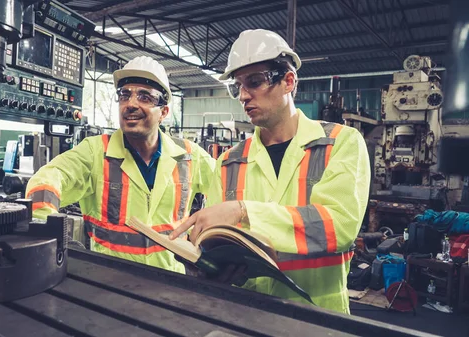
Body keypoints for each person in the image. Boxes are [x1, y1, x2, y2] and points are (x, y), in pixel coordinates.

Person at [169, 29, 371, 313]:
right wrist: (203, 262)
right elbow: (218, 241)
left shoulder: (341, 143)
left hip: (317, 316)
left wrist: (244, 211)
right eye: (237, 86)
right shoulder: (229, 162)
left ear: (288, 81)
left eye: (254, 82)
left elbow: (339, 226)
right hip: (245, 312)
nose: (242, 95)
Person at [25, 56, 215, 273]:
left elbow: (227, 195)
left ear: (163, 112)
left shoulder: (190, 156)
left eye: (144, 96)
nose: (131, 104)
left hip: (171, 283)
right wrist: (43, 228)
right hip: (109, 283)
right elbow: (49, 177)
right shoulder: (96, 152)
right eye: (124, 95)